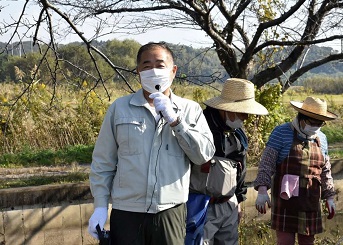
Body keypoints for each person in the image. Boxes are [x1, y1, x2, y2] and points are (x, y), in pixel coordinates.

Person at [87, 42, 215, 245]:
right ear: (138, 72)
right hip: (127, 210)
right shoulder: (120, 108)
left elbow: (204, 155)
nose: (153, 70)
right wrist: (100, 206)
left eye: (160, 65)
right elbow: (103, 163)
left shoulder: (190, 110)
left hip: (170, 210)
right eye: (146, 66)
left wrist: (176, 122)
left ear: (173, 71)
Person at [187, 78, 269, 245]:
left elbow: (241, 168)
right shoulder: (200, 126)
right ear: (226, 109)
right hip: (201, 205)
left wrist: (238, 200)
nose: (245, 118)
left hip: (229, 205)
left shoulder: (237, 133)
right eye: (242, 112)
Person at [254, 96, 338, 245]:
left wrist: (329, 196)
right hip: (286, 201)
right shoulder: (281, 132)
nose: (316, 127)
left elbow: (325, 171)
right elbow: (267, 163)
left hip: (310, 199)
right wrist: (262, 190)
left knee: (308, 241)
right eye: (313, 122)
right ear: (302, 118)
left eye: (320, 123)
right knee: (285, 241)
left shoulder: (322, 139)